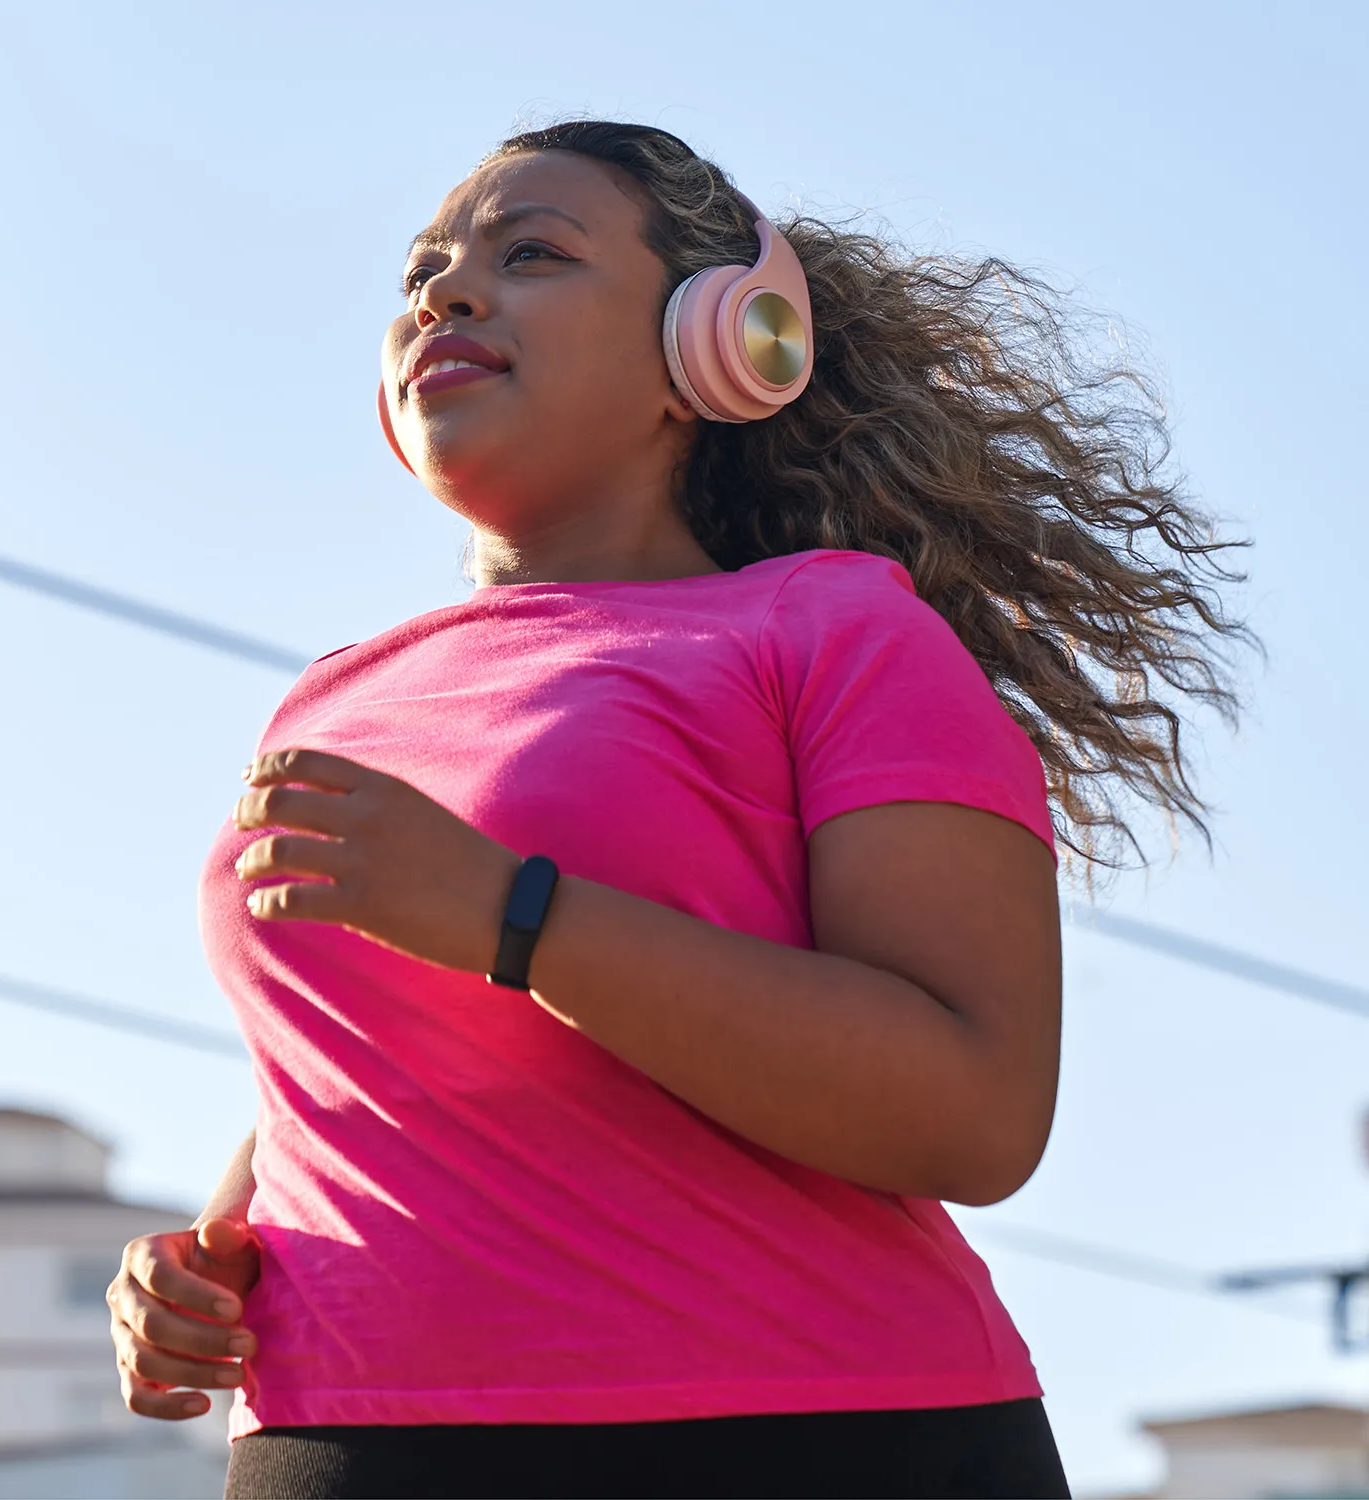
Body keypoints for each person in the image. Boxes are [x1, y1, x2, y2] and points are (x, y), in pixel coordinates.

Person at [106, 121, 1248, 1499]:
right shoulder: (329, 697)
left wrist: (511, 914)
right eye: (423, 272)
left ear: (716, 348)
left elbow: (977, 1107)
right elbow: (364, 1065)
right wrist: (209, 1252)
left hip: (800, 1442)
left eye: (531, 254)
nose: (444, 294)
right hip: (343, 1442)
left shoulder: (835, 633)